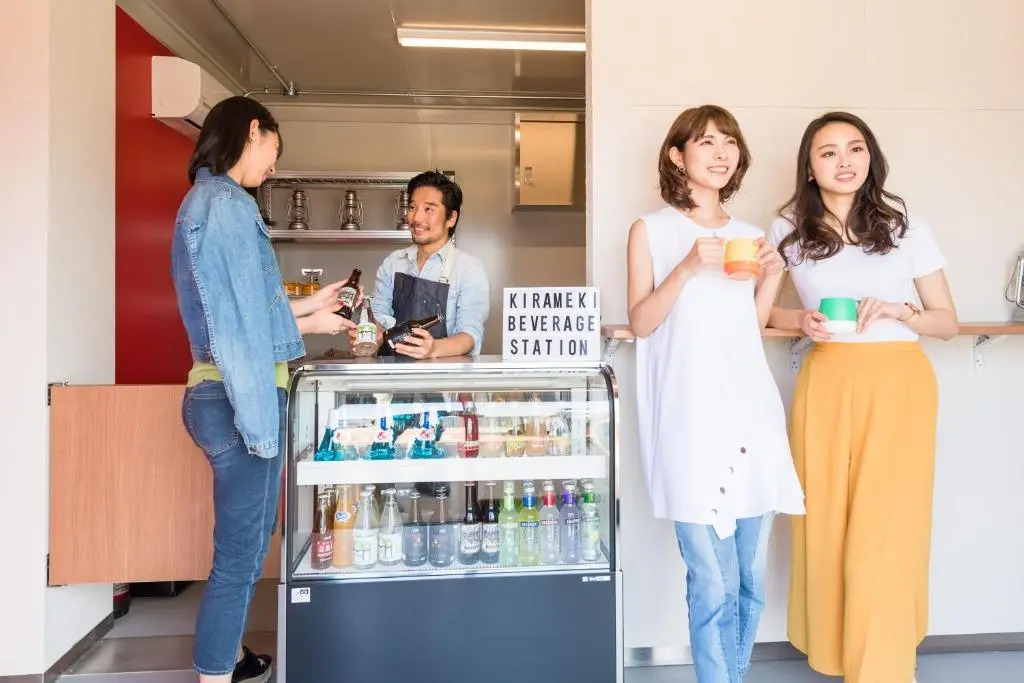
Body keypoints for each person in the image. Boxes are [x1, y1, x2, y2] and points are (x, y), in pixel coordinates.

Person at [767, 111, 958, 683]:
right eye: (828, 152)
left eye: (855, 148)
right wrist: (799, 319)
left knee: (888, 526)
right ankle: (838, 651)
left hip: (899, 382)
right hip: (827, 380)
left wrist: (901, 310)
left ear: (871, 157)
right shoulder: (786, 229)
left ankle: (883, 667)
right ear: (809, 167)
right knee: (824, 521)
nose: (844, 161)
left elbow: (947, 322)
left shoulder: (906, 227)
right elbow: (760, 312)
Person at [171, 96, 354, 683]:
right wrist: (312, 325)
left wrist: (310, 308)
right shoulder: (227, 204)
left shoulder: (205, 201)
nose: (275, 165)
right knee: (241, 555)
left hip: (219, 390)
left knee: (249, 547)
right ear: (253, 130)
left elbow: (244, 308)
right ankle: (214, 672)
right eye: (275, 149)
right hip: (237, 395)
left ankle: (227, 659)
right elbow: (244, 325)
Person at [626, 105, 805, 683]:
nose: (722, 152)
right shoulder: (651, 231)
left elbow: (746, 328)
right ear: (677, 156)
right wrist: (684, 268)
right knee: (712, 582)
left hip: (751, 415)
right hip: (689, 421)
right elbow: (642, 323)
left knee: (749, 580)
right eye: (706, 141)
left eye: (730, 142)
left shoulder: (750, 237)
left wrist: (773, 275)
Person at [368, 170, 490, 358]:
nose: (416, 218)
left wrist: (433, 349)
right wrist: (369, 335)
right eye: (412, 207)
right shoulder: (393, 263)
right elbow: (379, 318)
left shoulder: (469, 268)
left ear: (451, 218)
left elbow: (470, 334)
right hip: (392, 373)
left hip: (443, 374)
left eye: (429, 209)